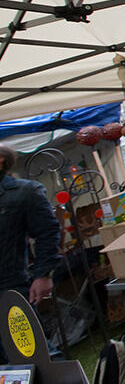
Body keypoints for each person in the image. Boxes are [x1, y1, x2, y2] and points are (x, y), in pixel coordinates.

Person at [0, 143, 60, 363]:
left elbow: (48, 232)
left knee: (32, 354)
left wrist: (43, 274)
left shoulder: (25, 192)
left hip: (10, 288)